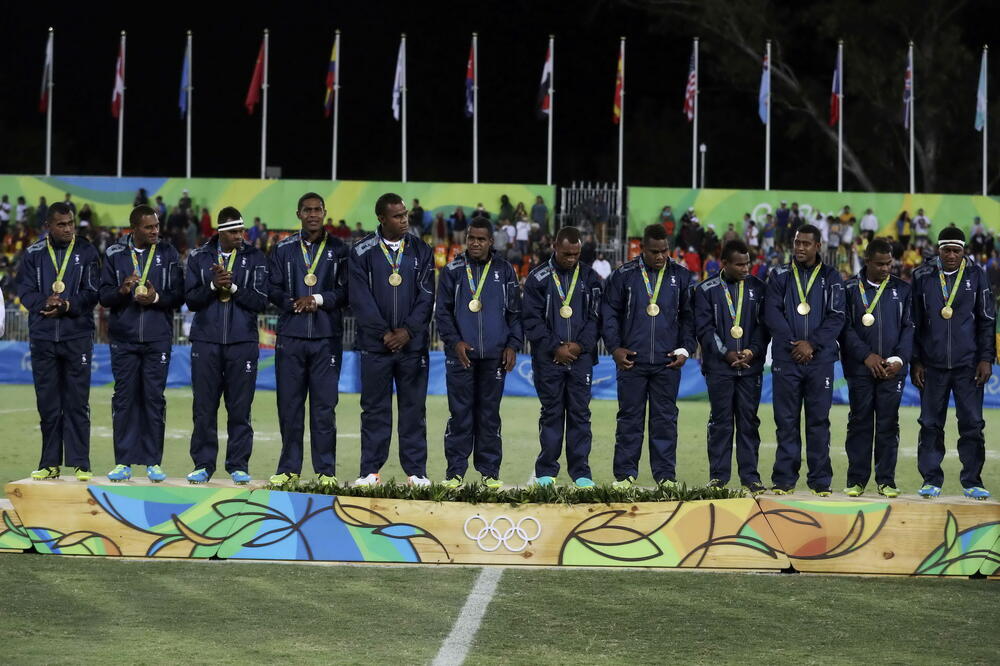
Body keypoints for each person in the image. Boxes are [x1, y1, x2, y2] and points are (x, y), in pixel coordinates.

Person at [350, 193, 435, 487]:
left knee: (414, 410)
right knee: (374, 410)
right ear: (382, 219)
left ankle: (416, 472)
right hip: (376, 347)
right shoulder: (361, 251)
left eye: (405, 214)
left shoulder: (422, 250)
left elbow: (427, 295)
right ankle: (370, 471)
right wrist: (383, 333)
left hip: (412, 347)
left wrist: (407, 331)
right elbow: (360, 298)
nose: (404, 220)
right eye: (397, 216)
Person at [602, 224, 697, 488]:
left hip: (667, 362)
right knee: (629, 420)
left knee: (665, 421)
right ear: (642, 248)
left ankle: (665, 476)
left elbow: (690, 317)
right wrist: (615, 348)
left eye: (664, 250)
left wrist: (686, 348)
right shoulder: (624, 276)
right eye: (654, 251)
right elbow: (609, 314)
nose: (660, 256)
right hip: (632, 361)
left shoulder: (682, 276)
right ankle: (625, 475)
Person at [266, 193, 349, 486]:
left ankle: (325, 470)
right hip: (291, 336)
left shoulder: (340, 249)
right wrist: (292, 303)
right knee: (289, 405)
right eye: (307, 210)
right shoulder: (282, 249)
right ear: (298, 214)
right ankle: (289, 467)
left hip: (327, 337)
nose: (313, 214)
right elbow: (271, 288)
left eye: (317, 210)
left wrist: (317, 298)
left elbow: (347, 292)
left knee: (324, 407)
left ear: (324, 212)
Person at [99, 205, 184, 482]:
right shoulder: (114, 253)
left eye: (157, 226)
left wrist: (157, 299)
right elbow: (103, 296)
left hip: (157, 338)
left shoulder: (168, 253)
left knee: (153, 399)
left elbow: (178, 295)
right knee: (123, 400)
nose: (155, 231)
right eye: (149, 227)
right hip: (123, 338)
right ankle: (123, 462)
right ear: (134, 228)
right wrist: (122, 291)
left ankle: (152, 462)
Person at [184, 208, 269, 485]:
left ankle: (238, 464)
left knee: (240, 408)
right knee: (204, 408)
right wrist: (212, 285)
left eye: (241, 231)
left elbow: (260, 302)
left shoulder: (255, 257)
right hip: (206, 342)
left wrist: (232, 289)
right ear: (220, 231)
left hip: (242, 341)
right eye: (233, 232)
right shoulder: (198, 257)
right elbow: (191, 300)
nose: (239, 236)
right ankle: (203, 464)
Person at [16, 202, 101, 481]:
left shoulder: (87, 251)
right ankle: (49, 463)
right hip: (43, 337)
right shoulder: (33, 254)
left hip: (76, 335)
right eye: (61, 224)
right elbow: (25, 291)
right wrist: (45, 301)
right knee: (48, 403)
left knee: (77, 402)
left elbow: (92, 293)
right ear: (48, 227)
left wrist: (66, 305)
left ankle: (81, 463)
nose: (68, 229)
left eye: (71, 223)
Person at [435, 217, 521, 488]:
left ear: (491, 242)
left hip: (494, 357)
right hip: (461, 355)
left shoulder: (505, 270)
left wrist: (512, 345)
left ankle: (489, 472)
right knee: (460, 414)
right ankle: (455, 472)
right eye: (471, 238)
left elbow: (515, 314)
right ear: (466, 238)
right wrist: (454, 342)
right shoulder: (452, 270)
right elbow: (442, 314)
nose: (475, 243)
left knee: (489, 415)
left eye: (481, 239)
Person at [910, 227, 995, 499]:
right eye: (946, 249)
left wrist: (985, 358)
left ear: (964, 251)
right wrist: (916, 361)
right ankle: (931, 479)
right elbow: (914, 323)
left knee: (972, 424)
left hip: (968, 365)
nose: (950, 255)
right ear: (938, 249)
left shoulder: (976, 276)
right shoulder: (922, 276)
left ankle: (972, 480)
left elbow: (986, 321)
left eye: (956, 250)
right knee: (930, 423)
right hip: (932, 365)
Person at [764, 224, 845, 496]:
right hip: (786, 359)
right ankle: (784, 479)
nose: (800, 248)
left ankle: (820, 481)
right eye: (797, 243)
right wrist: (794, 344)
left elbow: (837, 317)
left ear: (818, 246)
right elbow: (771, 313)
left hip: (820, 360)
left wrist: (812, 344)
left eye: (806, 244)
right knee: (785, 421)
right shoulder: (779, 275)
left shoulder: (832, 277)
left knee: (818, 421)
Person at [523, 226, 603, 487]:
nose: (571, 259)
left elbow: (596, 318)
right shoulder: (538, 278)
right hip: (549, 359)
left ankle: (581, 473)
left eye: (576, 254)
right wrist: (555, 346)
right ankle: (546, 472)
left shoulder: (590, 278)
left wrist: (579, 347)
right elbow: (531, 320)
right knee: (552, 413)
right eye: (567, 254)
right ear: (555, 247)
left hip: (581, 359)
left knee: (580, 414)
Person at [839, 239, 913, 498]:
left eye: (889, 264)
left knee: (888, 423)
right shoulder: (848, 289)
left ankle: (886, 480)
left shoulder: (903, 290)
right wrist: (866, 356)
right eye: (880, 264)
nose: (885, 269)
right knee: (859, 422)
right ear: (867, 261)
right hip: (861, 369)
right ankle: (856, 480)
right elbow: (844, 328)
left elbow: (909, 327)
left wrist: (899, 360)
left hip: (892, 370)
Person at [694, 240, 768, 493]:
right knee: (721, 422)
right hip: (720, 368)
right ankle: (718, 477)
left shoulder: (759, 288)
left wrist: (752, 351)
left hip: (750, 367)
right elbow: (704, 328)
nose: (745, 268)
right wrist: (725, 353)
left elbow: (763, 326)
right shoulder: (705, 289)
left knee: (749, 422)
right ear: (724, 263)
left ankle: (751, 477)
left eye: (748, 263)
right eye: (739, 264)